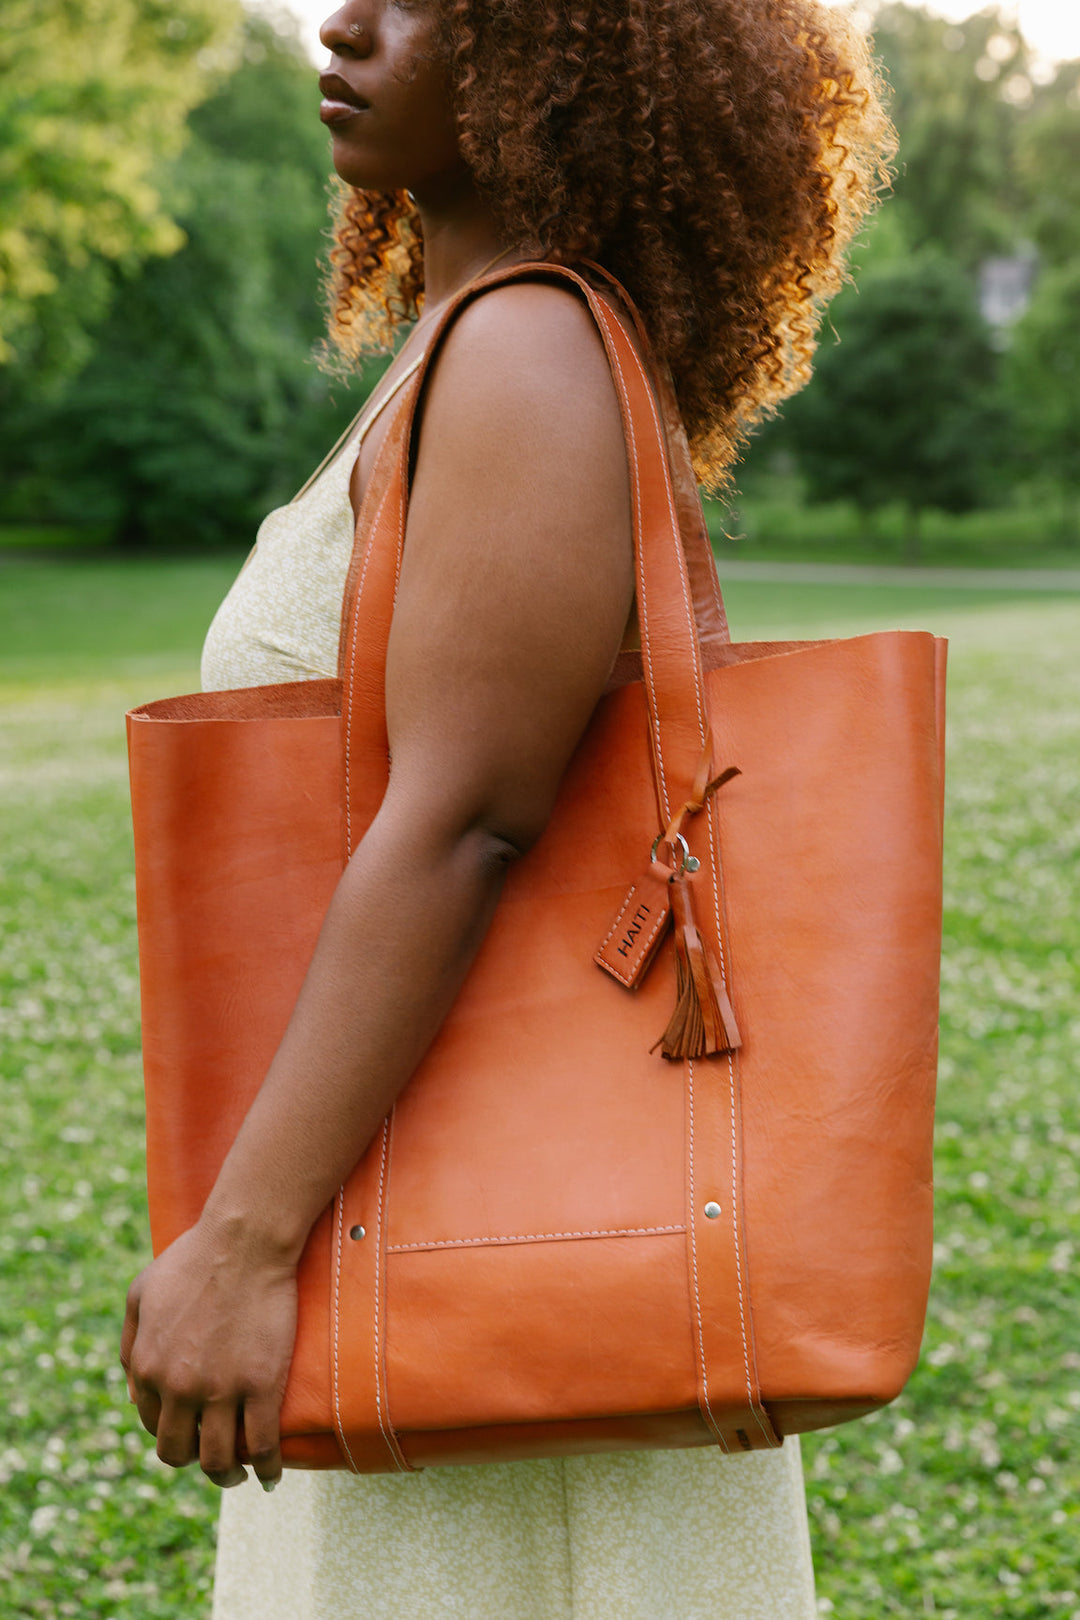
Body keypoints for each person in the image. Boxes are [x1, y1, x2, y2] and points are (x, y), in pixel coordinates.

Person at [120, 2, 894, 1615]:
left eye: (416, 1)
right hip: (432, 1238)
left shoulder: (530, 349)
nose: (340, 23)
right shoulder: (461, 345)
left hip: (497, 1282)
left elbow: (470, 816)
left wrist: (247, 1241)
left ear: (558, 48)